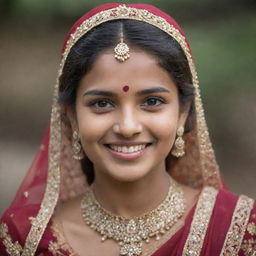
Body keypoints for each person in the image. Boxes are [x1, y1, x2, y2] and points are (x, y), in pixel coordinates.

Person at [0, 3, 255, 256]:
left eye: (152, 102)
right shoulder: (25, 240)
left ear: (183, 112)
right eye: (102, 103)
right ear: (72, 117)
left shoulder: (238, 232)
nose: (128, 127)